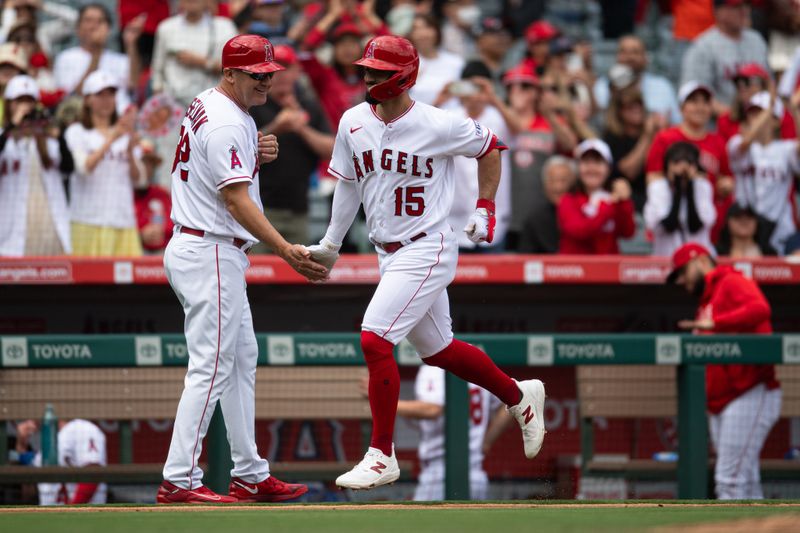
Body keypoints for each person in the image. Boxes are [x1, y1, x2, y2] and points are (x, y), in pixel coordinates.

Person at [306, 35, 546, 490]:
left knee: (375, 340)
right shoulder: (353, 120)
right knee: (439, 350)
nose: (368, 76)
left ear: (403, 76)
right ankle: (520, 396)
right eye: (367, 68)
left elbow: (490, 146)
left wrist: (484, 208)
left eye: (378, 70)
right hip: (386, 250)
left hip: (428, 245)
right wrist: (331, 244)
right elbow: (348, 184)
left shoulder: (437, 123)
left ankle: (382, 454)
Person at [157, 34, 327, 504]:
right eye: (257, 75)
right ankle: (179, 479)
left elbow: (222, 169)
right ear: (230, 72)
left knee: (240, 359)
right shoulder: (228, 124)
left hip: (209, 247)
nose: (266, 83)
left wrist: (253, 151)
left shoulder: (213, 104)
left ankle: (250, 472)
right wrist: (284, 248)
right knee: (210, 366)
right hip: (209, 248)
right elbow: (233, 198)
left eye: (269, 75)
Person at [668, 242, 781, 499]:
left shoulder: (730, 281)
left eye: (683, 272)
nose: (682, 281)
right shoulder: (707, 300)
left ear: (701, 261)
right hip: (725, 400)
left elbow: (760, 309)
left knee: (729, 481)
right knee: (746, 479)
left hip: (750, 392)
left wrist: (716, 323)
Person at [250, 44, 334, 247]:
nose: (282, 75)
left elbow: (332, 150)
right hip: (259, 210)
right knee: (257, 274)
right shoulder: (255, 103)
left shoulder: (309, 106)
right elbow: (240, 149)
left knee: (297, 275)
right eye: (276, 69)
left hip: (299, 210)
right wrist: (277, 126)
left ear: (297, 71)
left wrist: (301, 128)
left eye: (287, 68)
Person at [395, 365, 513, 501]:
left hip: (441, 473)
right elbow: (511, 402)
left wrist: (384, 401)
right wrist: (486, 442)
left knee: (419, 522)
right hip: (476, 474)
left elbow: (433, 409)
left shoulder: (434, 365)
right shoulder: (476, 361)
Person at [65, 70, 142, 257]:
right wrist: (111, 139)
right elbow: (84, 168)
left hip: (122, 220)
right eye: (100, 95)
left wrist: (131, 151)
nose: (107, 100)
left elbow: (139, 181)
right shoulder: (77, 132)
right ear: (88, 99)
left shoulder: (126, 135)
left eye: (111, 94)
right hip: (87, 219)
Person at [646, 82, 733, 242]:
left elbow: (726, 177)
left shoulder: (718, 142)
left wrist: (725, 185)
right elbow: (652, 176)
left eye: (705, 102)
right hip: (670, 221)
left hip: (703, 221)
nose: (700, 107)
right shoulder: (665, 138)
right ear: (681, 108)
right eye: (693, 101)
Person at [0, 74, 70, 256]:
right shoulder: (4, 136)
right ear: (8, 104)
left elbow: (69, 169)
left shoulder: (47, 138)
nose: (25, 106)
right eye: (19, 101)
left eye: (29, 101)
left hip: (48, 231)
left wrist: (60, 137)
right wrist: (13, 125)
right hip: (10, 233)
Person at [727, 90, 800, 254]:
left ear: (776, 121)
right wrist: (770, 109)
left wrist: (795, 112)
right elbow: (746, 141)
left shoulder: (785, 149)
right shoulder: (736, 142)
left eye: (760, 113)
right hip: (747, 233)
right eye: (752, 113)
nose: (756, 118)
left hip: (782, 231)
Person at [680, 0, 769, 109]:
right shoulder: (703, 47)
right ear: (718, 11)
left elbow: (769, 86)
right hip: (719, 123)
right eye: (737, 7)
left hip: (759, 119)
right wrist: (732, 119)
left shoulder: (757, 40)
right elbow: (695, 95)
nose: (744, 11)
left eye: (746, 5)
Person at [150, 0, 238, 108]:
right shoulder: (166, 28)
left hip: (211, 105)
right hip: (172, 105)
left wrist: (203, 62)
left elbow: (235, 69)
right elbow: (157, 70)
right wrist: (159, 102)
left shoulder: (225, 28)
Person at [557, 138, 635, 254]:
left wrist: (624, 202)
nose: (592, 168)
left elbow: (627, 232)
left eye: (598, 162)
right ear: (578, 167)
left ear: (608, 168)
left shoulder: (614, 199)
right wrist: (607, 207)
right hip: (575, 269)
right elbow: (579, 231)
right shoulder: (568, 200)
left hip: (607, 268)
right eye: (586, 162)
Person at [53, 3, 132, 112]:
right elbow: (73, 98)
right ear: (78, 28)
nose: (94, 26)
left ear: (108, 29)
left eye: (100, 21)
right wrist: (97, 52)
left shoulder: (122, 60)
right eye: (88, 21)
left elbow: (134, 89)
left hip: (120, 117)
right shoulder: (65, 58)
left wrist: (131, 44)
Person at [643, 142, 716, 257]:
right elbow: (668, 225)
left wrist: (689, 186)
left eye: (689, 163)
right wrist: (677, 187)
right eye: (676, 162)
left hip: (699, 259)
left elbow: (695, 226)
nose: (683, 169)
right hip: (666, 257)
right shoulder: (658, 187)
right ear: (667, 166)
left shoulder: (702, 186)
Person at [602, 85, 666, 211]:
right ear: (619, 111)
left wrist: (662, 132)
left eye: (639, 105)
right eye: (630, 107)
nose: (637, 110)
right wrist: (647, 137)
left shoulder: (655, 134)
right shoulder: (612, 137)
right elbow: (629, 171)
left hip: (651, 198)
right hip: (625, 200)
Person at [594, 35, 680, 125]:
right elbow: (600, 122)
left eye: (635, 52)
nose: (629, 57)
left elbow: (676, 121)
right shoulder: (603, 85)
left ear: (645, 58)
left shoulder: (662, 86)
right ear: (617, 57)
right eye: (624, 52)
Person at [36, 419, 107, 505]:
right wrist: (21, 444)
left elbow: (93, 473)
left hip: (84, 514)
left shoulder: (82, 428)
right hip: (51, 513)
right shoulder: (47, 440)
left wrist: (73, 510)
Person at [518, 155, 576, 253]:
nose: (557, 187)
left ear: (572, 183)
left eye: (563, 180)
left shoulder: (583, 213)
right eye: (552, 180)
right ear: (544, 184)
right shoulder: (534, 220)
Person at [408, 13, 465, 107]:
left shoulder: (456, 62)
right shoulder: (407, 66)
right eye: (416, 29)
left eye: (427, 27)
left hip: (453, 116)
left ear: (437, 31)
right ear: (411, 34)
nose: (423, 34)